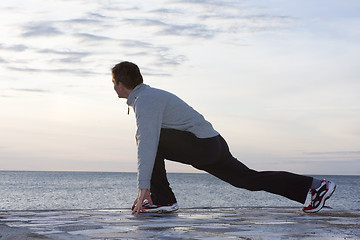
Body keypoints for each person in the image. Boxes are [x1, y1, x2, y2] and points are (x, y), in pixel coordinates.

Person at [111, 61, 336, 214]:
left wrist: (143, 190)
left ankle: (163, 199)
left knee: (146, 140)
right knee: (249, 180)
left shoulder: (146, 100)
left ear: (121, 84)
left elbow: (148, 143)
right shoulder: (150, 96)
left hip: (203, 145)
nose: (113, 88)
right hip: (212, 143)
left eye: (114, 83)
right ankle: (315, 187)